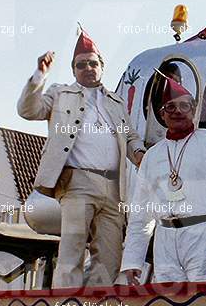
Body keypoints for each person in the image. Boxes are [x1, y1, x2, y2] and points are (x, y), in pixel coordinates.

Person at [17, 25, 146, 288]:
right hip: (77, 183)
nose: (88, 68)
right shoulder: (60, 93)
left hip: (114, 187)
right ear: (74, 70)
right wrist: (39, 75)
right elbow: (28, 111)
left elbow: (130, 137)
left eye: (92, 63)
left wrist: (142, 156)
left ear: (102, 66)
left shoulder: (116, 102)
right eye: (81, 65)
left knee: (110, 254)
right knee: (72, 250)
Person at [120, 76, 206, 283]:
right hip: (165, 243)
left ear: (193, 109)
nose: (178, 111)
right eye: (170, 107)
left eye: (184, 106)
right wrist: (133, 260)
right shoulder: (152, 156)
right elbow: (141, 215)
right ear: (162, 114)